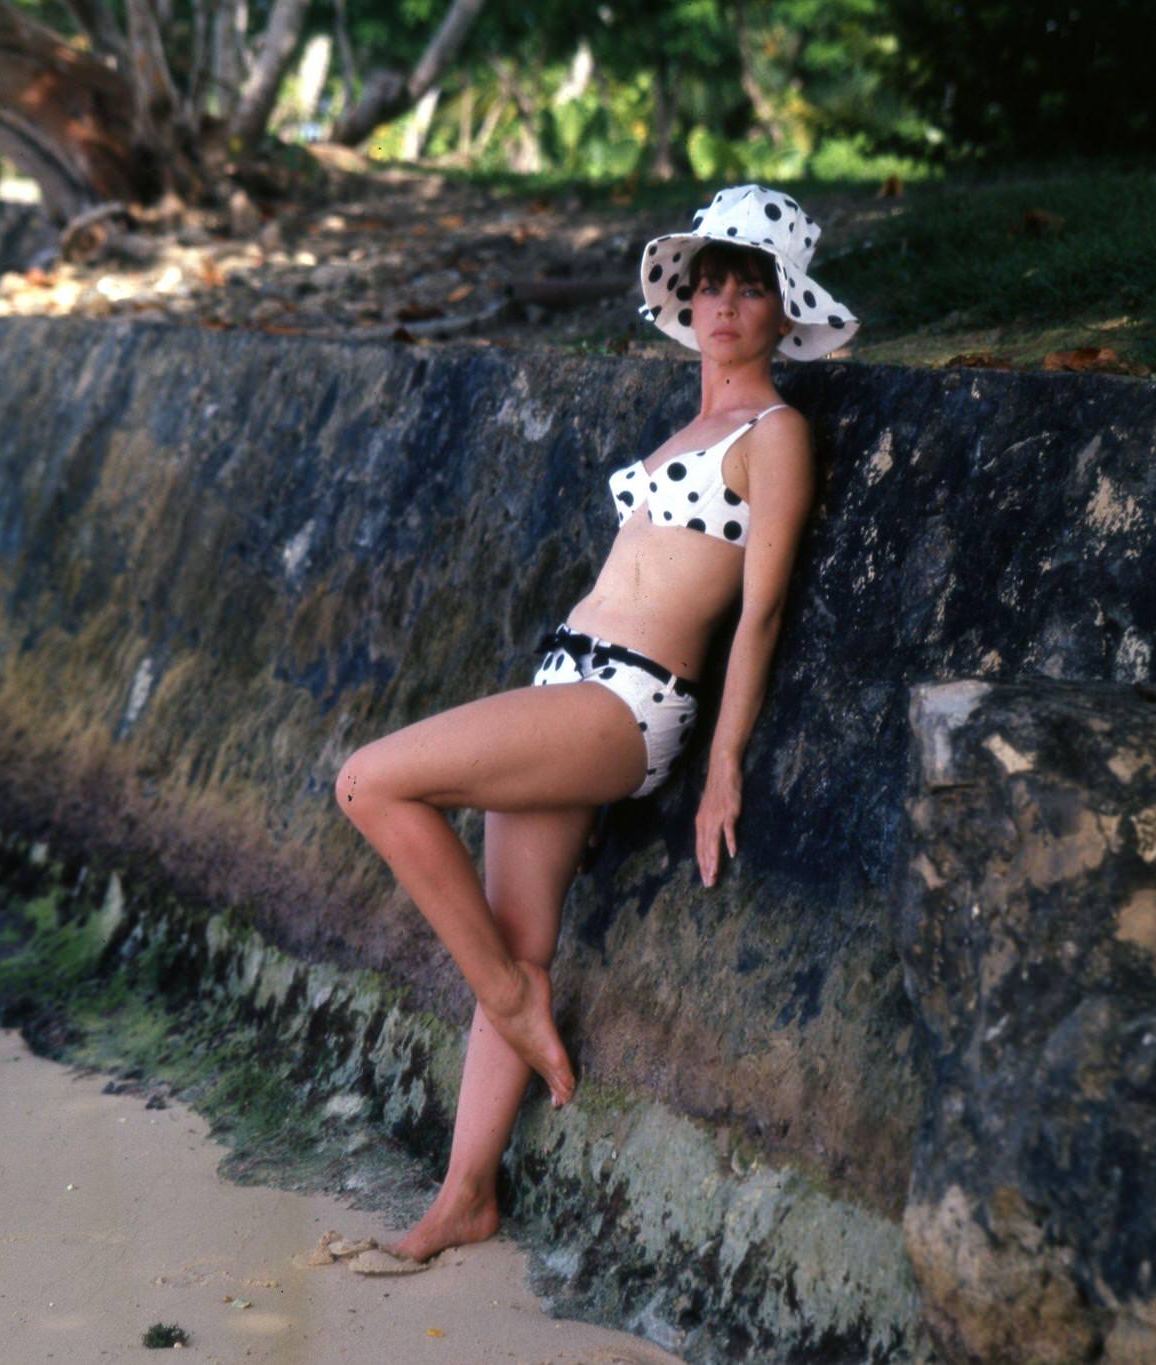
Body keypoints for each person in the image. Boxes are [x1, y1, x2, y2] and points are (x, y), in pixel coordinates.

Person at [334, 184, 858, 1263]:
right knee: (515, 932)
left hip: (627, 704)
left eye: (746, 289)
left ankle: (512, 1001)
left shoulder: (774, 432)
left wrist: (721, 766)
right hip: (564, 680)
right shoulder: (685, 428)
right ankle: (464, 1196)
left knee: (371, 783)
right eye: (708, 284)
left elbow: (760, 611)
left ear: (780, 311)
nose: (721, 306)